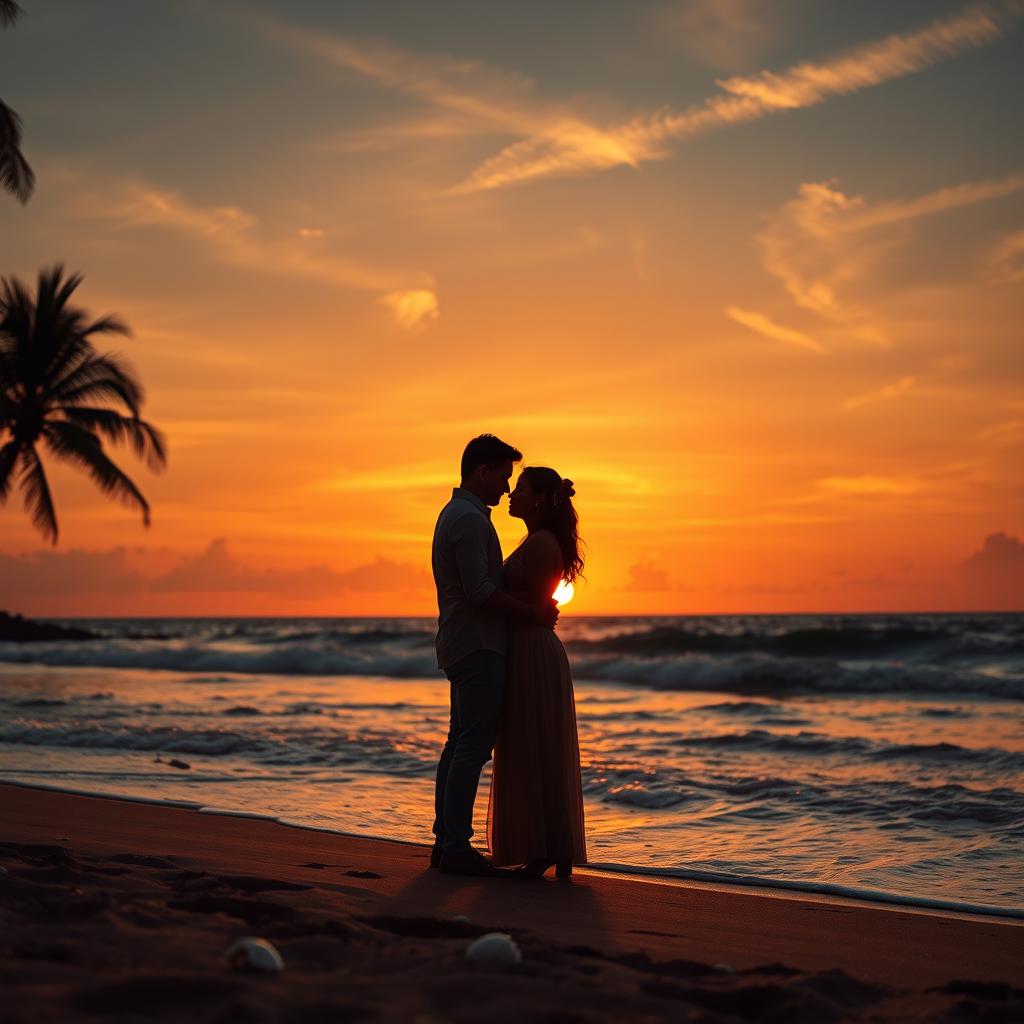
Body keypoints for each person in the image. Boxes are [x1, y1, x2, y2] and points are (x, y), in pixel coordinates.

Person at [430, 435, 558, 877]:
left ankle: (446, 842)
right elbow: (479, 591)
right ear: (481, 471)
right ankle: (455, 847)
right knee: (472, 746)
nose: (506, 488)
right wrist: (532, 613)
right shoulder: (467, 519)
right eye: (504, 476)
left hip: (466, 642)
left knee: (459, 742)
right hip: (478, 645)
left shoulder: (463, 516)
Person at [488, 466, 587, 878]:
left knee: (536, 744)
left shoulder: (543, 542)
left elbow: (536, 601)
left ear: (541, 499)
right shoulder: (534, 540)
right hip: (526, 648)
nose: (512, 493)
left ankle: (546, 850)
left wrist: (485, 592)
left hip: (533, 651)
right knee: (534, 744)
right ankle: (548, 849)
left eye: (522, 488)